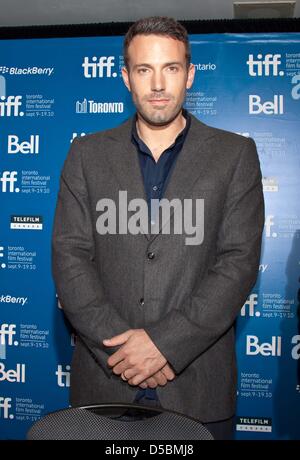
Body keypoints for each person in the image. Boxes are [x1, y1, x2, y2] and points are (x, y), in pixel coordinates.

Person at [51, 16, 265, 440]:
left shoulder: (235, 154)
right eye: (144, 69)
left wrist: (164, 345)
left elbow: (238, 263)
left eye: (170, 68)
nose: (158, 84)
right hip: (103, 385)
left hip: (197, 390)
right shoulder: (85, 154)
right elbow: (70, 256)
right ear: (125, 77)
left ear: (190, 75)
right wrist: (125, 353)